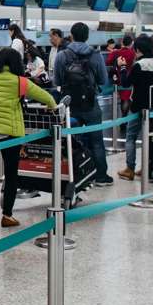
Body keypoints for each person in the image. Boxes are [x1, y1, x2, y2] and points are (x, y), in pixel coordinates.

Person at [0, 47, 55, 226]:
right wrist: (52, 105)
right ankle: (7, 215)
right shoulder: (20, 82)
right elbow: (45, 96)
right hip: (11, 133)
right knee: (11, 175)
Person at [53, 22, 112, 186]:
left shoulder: (62, 55)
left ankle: (73, 177)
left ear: (71, 35)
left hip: (69, 105)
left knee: (69, 141)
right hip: (91, 104)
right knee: (97, 141)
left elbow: (57, 80)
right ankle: (101, 176)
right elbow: (103, 79)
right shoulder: (95, 54)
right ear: (87, 37)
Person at [117, 34, 153, 180]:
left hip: (138, 107)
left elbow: (126, 83)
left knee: (131, 137)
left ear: (138, 49)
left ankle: (130, 168)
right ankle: (148, 167)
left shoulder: (139, 65)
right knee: (150, 137)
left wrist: (121, 67)